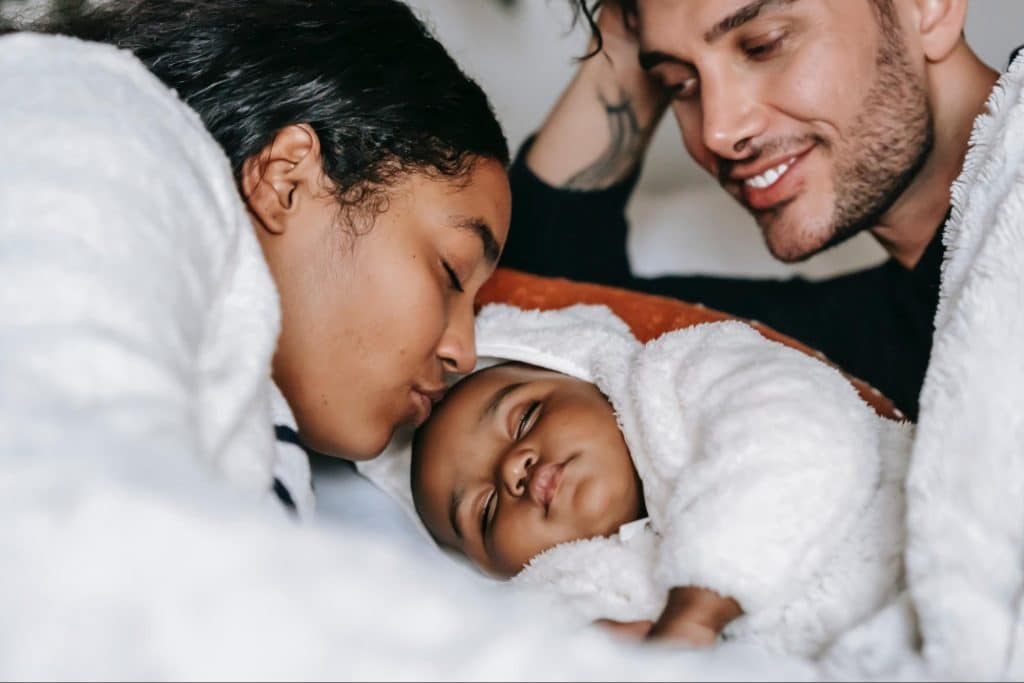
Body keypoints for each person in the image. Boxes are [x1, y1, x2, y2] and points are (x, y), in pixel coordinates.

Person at [0, 0, 510, 517]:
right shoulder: (88, 141)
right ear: (286, 179)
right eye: (452, 272)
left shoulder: (246, 412)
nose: (463, 355)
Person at [501, 0, 1003, 421]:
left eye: (763, 45)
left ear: (928, 7)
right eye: (680, 84)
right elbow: (543, 304)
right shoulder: (875, 341)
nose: (717, 131)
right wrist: (626, 23)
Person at [411, 303, 912, 656]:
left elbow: (799, 431)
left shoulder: (681, 375)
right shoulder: (560, 593)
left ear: (584, 376)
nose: (509, 470)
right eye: (485, 512)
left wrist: (699, 606)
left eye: (523, 419)